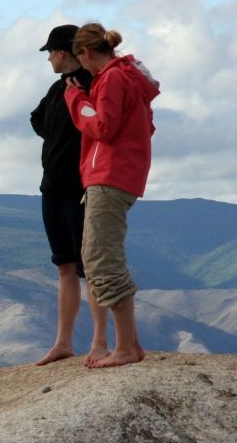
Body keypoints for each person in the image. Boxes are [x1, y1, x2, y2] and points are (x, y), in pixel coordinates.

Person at [65, 23, 160, 368]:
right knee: (101, 257)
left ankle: (124, 349)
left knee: (101, 259)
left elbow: (104, 127)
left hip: (109, 174)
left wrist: (77, 100)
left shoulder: (112, 79)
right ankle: (129, 342)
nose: (81, 65)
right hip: (120, 173)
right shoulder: (126, 78)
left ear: (86, 52)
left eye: (80, 58)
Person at [30, 25, 109, 367]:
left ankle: (100, 341)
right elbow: (36, 119)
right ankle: (63, 342)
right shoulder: (57, 88)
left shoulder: (92, 85)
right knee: (64, 265)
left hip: (81, 189)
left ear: (63, 52)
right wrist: (57, 139)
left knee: (90, 267)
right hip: (51, 188)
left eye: (50, 52)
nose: (49, 58)